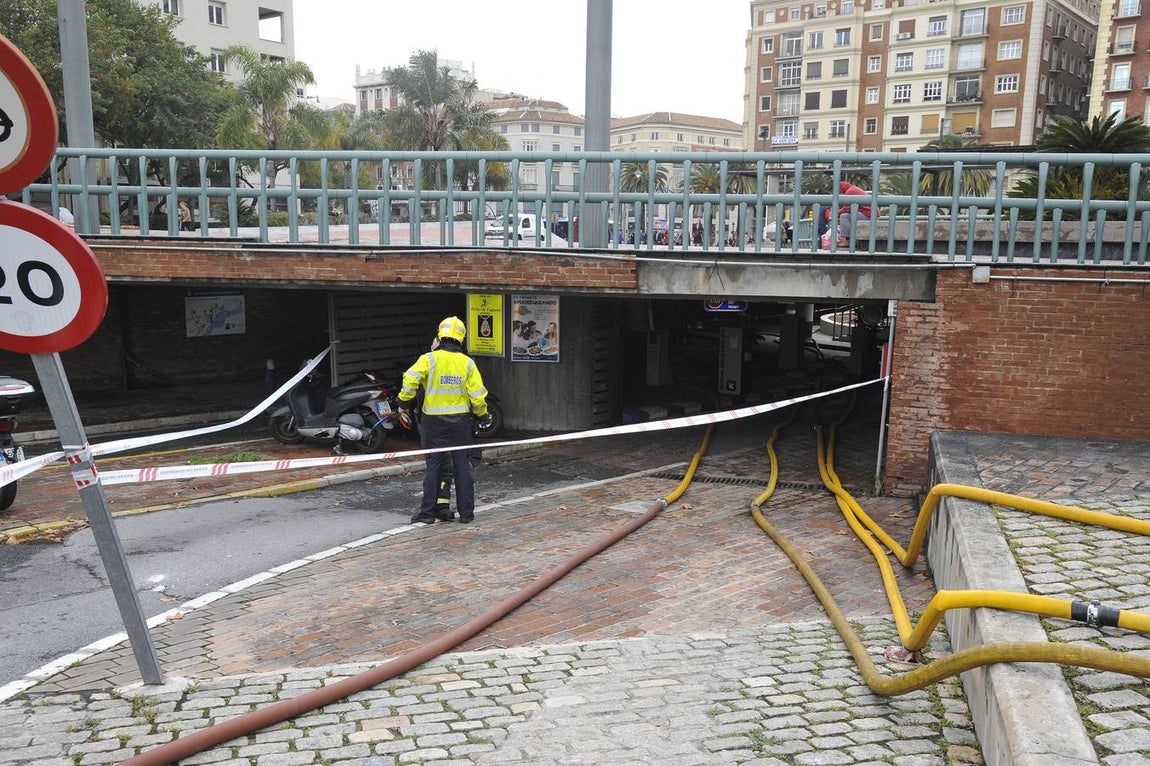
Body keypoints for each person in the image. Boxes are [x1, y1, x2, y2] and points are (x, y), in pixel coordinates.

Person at [397, 316, 491, 525]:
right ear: (461, 338)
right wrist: (481, 413)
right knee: (461, 467)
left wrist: (403, 402)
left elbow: (410, 379)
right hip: (460, 423)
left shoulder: (428, 359)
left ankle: (428, 513)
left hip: (433, 423)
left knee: (433, 466)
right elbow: (477, 395)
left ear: (440, 336)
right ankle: (466, 514)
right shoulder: (468, 363)